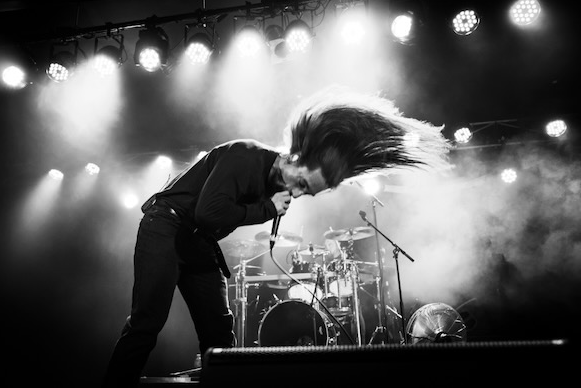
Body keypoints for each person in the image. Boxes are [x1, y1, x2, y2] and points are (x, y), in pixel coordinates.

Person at [102, 85, 452, 387]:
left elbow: (213, 220)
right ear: (293, 157)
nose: (296, 193)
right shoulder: (244, 155)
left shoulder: (274, 182)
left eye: (306, 192)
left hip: (197, 242)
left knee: (219, 334)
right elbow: (209, 212)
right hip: (166, 226)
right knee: (147, 322)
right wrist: (266, 209)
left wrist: (266, 206)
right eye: (300, 183)